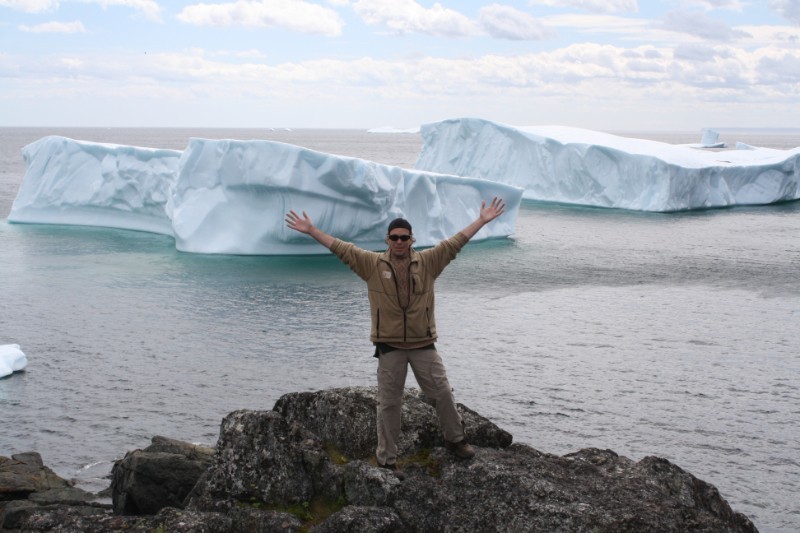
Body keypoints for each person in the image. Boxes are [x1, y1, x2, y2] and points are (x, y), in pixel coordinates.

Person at [285, 197, 507, 479]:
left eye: (404, 237)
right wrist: (312, 230)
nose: (399, 242)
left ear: (412, 239)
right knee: (389, 404)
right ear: (387, 240)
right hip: (389, 347)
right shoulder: (371, 265)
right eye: (395, 238)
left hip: (423, 344)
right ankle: (387, 460)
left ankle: (456, 440)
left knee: (442, 393)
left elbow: (455, 243)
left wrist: (482, 221)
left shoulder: (428, 262)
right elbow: (341, 248)